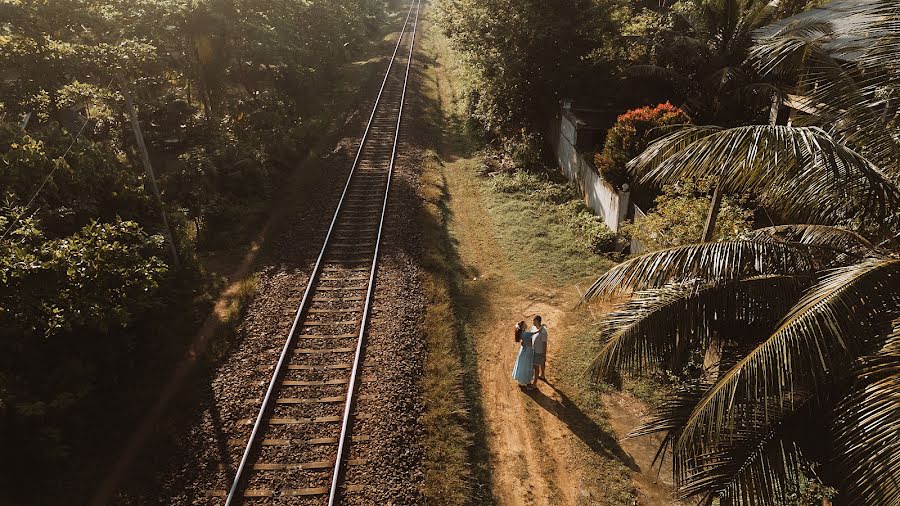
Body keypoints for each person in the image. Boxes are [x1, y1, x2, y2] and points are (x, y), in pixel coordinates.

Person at [511, 320, 537, 389]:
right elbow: (535, 333)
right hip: (527, 352)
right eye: (525, 324)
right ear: (522, 327)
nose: (526, 324)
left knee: (523, 366)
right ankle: (527, 382)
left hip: (524, 351)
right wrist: (542, 327)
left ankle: (523, 380)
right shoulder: (525, 334)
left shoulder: (523, 333)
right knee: (527, 366)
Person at [531, 315, 548, 384]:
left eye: (534, 321)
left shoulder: (543, 332)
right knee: (540, 363)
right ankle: (542, 375)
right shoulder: (533, 328)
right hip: (534, 350)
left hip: (539, 351)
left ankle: (536, 381)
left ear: (537, 321)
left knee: (537, 366)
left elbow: (544, 343)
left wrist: (544, 354)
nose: (532, 322)